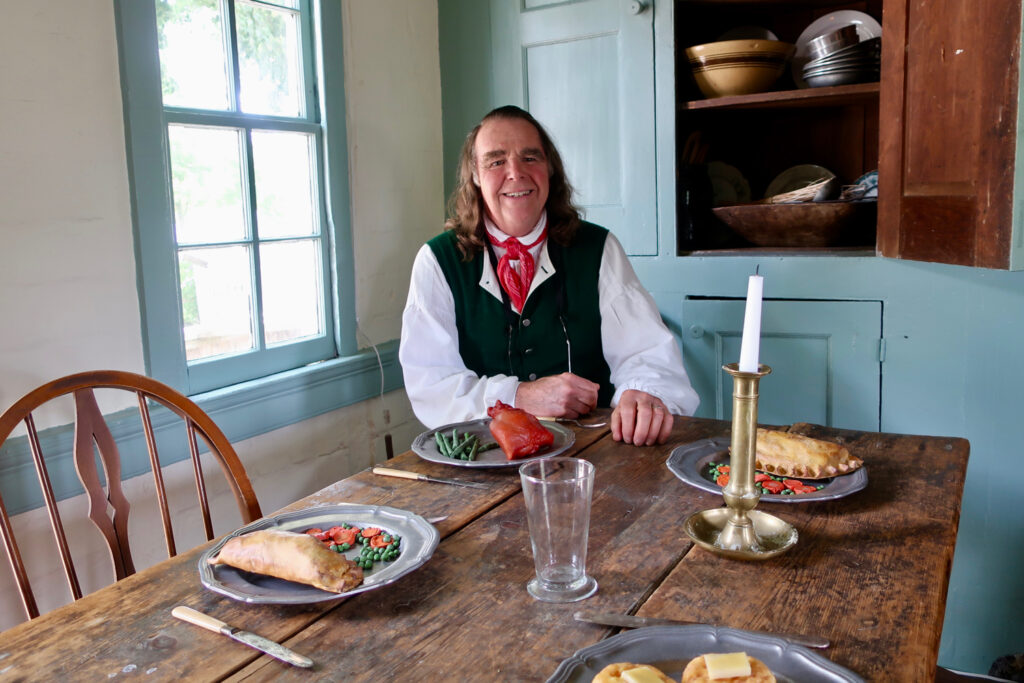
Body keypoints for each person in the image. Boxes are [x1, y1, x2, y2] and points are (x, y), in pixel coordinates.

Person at [399, 105, 698, 446]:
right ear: (476, 177)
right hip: (482, 456)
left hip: (592, 456)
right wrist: (520, 396)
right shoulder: (437, 261)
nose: (516, 173)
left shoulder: (597, 248)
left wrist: (643, 393)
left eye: (530, 157)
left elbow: (645, 352)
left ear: (550, 170)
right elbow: (432, 386)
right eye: (496, 161)